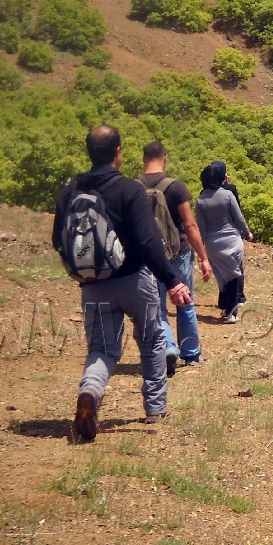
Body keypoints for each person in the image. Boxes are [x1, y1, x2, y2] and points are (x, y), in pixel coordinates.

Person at [53, 125, 191, 441]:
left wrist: (82, 270)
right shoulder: (129, 190)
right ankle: (155, 409)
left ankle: (90, 391)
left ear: (90, 152)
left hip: (93, 286)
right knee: (153, 337)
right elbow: (148, 240)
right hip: (135, 281)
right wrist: (172, 281)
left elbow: (57, 239)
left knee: (102, 348)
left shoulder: (70, 191)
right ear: (118, 153)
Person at [139, 141, 213, 374]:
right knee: (185, 302)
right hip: (179, 251)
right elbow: (190, 225)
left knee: (158, 307)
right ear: (165, 158)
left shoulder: (134, 187)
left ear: (143, 159)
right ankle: (191, 354)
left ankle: (168, 347)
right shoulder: (176, 187)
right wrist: (203, 257)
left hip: (150, 257)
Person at [195, 161, 252, 324]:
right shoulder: (227, 195)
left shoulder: (200, 200)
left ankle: (227, 308)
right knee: (234, 275)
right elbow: (238, 217)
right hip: (232, 241)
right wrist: (247, 233)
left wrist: (202, 251)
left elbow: (202, 228)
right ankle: (232, 312)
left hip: (213, 245)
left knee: (224, 276)